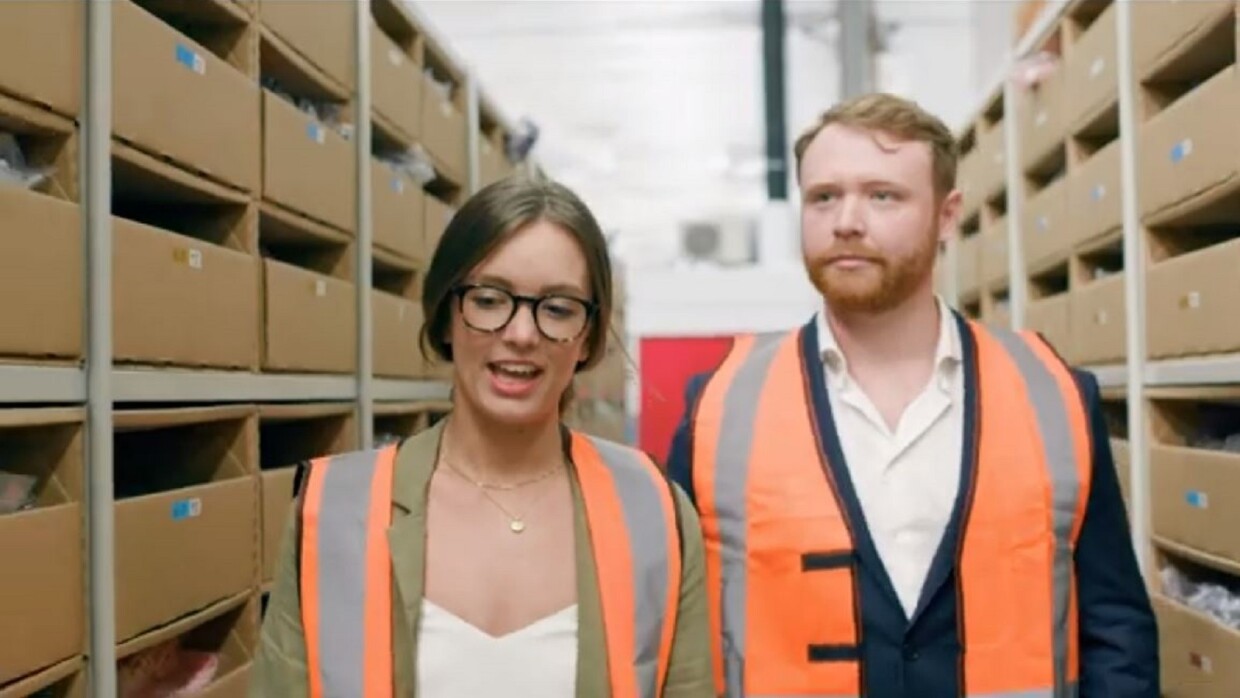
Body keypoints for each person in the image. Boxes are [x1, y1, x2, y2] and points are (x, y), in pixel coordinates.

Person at [665, 93, 1159, 697]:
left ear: (947, 216)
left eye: (882, 195)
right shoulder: (722, 406)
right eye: (824, 197)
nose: (846, 220)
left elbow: (1115, 627)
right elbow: (673, 636)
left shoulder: (1052, 395)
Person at [252, 173, 714, 697]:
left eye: (558, 308)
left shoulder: (653, 512)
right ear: (447, 315)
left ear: (587, 337)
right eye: (490, 299)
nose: (521, 334)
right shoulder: (334, 510)